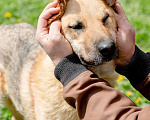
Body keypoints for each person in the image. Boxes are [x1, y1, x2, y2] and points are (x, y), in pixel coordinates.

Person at [36, 0, 150, 119]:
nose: (105, 44)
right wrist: (134, 59)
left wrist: (68, 68)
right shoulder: (48, 105)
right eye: (76, 26)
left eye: (105, 19)